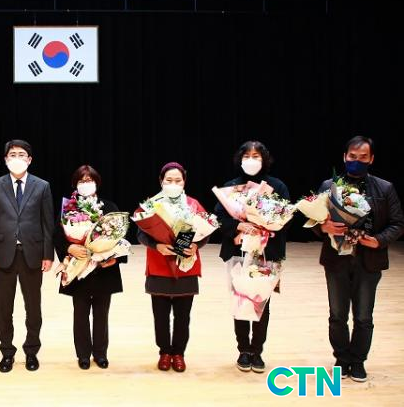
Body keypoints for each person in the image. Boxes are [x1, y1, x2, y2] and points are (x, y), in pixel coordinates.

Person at [315, 136, 403, 382]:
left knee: (364, 316)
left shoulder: (385, 188)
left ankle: (358, 361)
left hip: (369, 260)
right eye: (352, 156)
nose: (357, 161)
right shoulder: (328, 186)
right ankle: (342, 358)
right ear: (344, 157)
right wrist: (323, 227)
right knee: (337, 314)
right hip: (336, 260)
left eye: (363, 157)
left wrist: (379, 240)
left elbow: (398, 224)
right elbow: (313, 222)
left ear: (371, 159)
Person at [214, 141, 289, 374]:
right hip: (237, 252)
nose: (251, 160)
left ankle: (257, 351)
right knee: (240, 300)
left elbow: (285, 219)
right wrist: (238, 226)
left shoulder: (277, 186)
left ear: (264, 159)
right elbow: (219, 218)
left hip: (266, 253)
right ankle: (243, 350)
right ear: (240, 159)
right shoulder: (231, 187)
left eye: (256, 156)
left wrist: (263, 229)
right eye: (247, 156)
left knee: (261, 302)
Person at [0, 139, 54, 373]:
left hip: (32, 253)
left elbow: (47, 223)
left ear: (29, 159)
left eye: (21, 154)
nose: (17, 158)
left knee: (33, 307)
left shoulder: (42, 186)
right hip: (3, 254)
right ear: (6, 159)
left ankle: (31, 351)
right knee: (4, 308)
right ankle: (7, 352)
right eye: (12, 154)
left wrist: (48, 254)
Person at [53, 165, 126, 370]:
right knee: (80, 313)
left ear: (97, 183)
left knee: (102, 314)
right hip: (78, 268)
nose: (86, 184)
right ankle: (83, 355)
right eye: (82, 181)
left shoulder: (109, 206)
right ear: (75, 185)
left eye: (89, 180)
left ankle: (100, 354)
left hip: (104, 269)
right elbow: (57, 235)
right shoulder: (68, 209)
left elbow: (121, 237)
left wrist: (115, 258)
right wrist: (69, 248)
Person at [137, 162, 208, 373]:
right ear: (161, 181)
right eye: (169, 180)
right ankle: (164, 352)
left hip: (185, 267)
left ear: (184, 181)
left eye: (178, 180)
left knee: (183, 316)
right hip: (159, 264)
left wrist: (196, 246)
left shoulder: (193, 205)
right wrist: (157, 245)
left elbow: (206, 232)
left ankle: (179, 353)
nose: (173, 184)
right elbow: (141, 234)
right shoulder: (151, 205)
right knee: (160, 315)